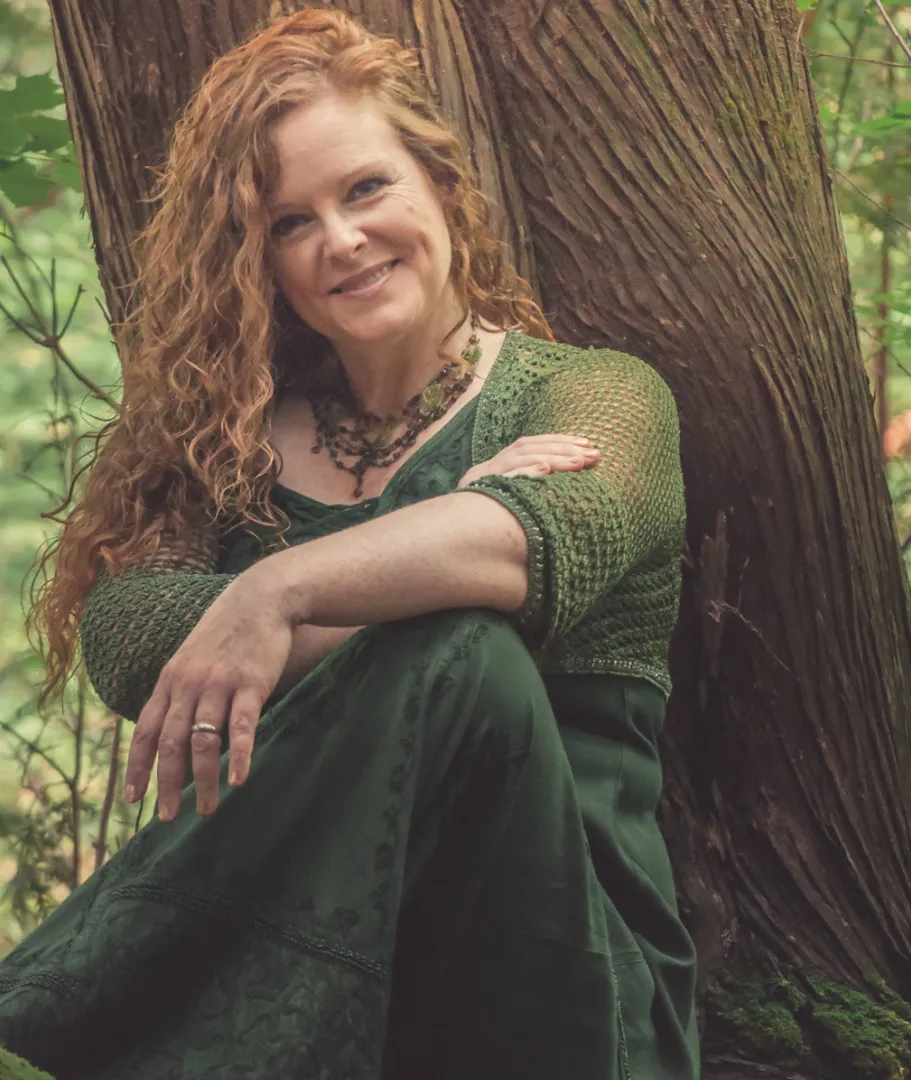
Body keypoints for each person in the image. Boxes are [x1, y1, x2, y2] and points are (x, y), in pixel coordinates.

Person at [0, 10, 699, 1079]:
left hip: (559, 989)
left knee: (464, 653)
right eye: (289, 222)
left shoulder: (592, 395)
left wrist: (270, 595)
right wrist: (416, 557)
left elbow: (526, 547)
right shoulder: (229, 442)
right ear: (257, 262)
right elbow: (137, 637)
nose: (341, 239)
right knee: (449, 623)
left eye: (366, 188)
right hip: (279, 981)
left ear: (441, 186)